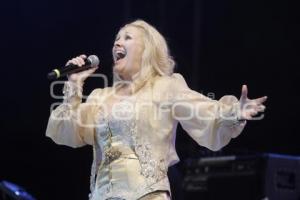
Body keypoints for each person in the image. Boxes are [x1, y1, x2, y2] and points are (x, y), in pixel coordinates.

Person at [46, 20, 267, 200]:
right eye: (116, 39)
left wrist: (234, 112)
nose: (117, 44)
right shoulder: (99, 97)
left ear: (146, 50)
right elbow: (69, 132)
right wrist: (74, 83)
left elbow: (204, 111)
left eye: (127, 37)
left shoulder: (164, 87)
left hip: (146, 195)